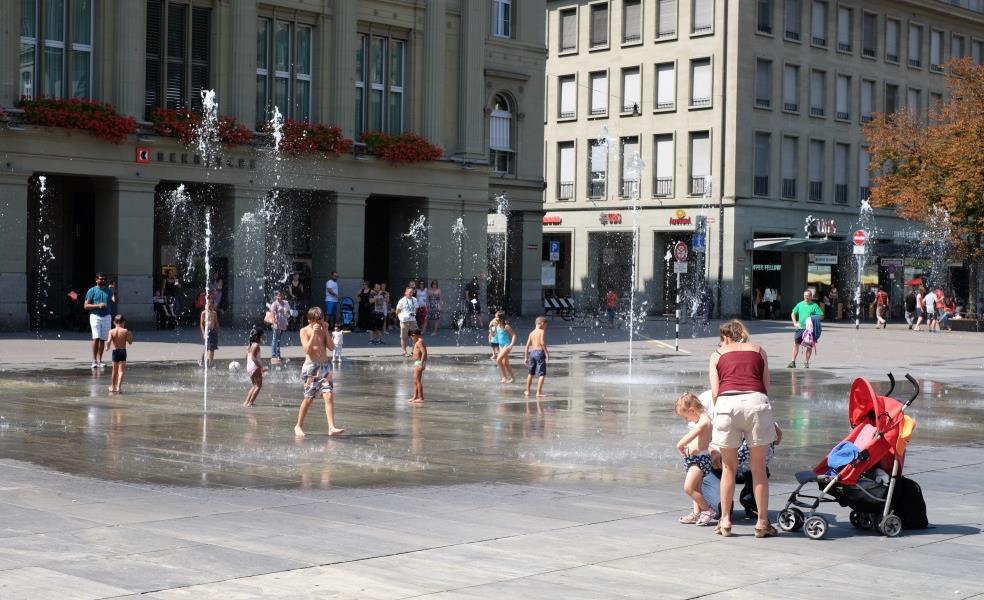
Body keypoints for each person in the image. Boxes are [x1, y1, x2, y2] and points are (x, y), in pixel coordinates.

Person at [709, 319, 776, 538]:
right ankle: (762, 523)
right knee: (757, 468)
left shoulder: (717, 355)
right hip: (756, 402)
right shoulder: (759, 350)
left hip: (727, 404)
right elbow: (766, 385)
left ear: (725, 337)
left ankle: (726, 521)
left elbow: (715, 392)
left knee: (729, 467)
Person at [295, 306, 344, 437]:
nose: (320, 322)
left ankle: (331, 427)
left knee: (328, 395)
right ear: (310, 320)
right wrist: (314, 334)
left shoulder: (324, 328)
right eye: (317, 320)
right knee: (309, 398)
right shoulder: (304, 331)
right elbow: (306, 350)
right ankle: (298, 425)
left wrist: (326, 330)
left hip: (325, 367)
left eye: (322, 319)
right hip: (311, 368)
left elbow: (332, 347)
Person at [674, 392, 715, 526]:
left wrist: (680, 445)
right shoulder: (702, 419)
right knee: (696, 487)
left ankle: (707, 509)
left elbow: (689, 437)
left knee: (689, 488)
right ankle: (697, 513)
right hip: (696, 458)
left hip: (700, 460)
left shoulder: (703, 422)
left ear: (691, 410)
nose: (687, 420)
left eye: (686, 417)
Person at [83, 272, 116, 369]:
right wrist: (98, 305)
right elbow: (85, 306)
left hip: (107, 316)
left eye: (104, 279)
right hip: (95, 316)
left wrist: (114, 291)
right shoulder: (91, 291)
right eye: (101, 279)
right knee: (96, 338)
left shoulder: (109, 291)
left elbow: (116, 301)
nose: (103, 281)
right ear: (96, 280)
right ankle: (94, 361)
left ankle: (100, 360)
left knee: (102, 339)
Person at [788, 289, 824, 369]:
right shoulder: (800, 304)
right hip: (800, 328)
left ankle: (806, 363)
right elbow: (793, 313)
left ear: (811, 296)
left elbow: (821, 316)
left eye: (808, 296)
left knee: (809, 346)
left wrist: (813, 318)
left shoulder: (814, 306)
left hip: (809, 329)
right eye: (805, 296)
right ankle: (793, 362)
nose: (806, 297)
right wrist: (794, 323)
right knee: (795, 344)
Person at [523, 316, 549, 397]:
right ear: (542, 323)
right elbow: (542, 342)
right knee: (542, 374)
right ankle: (538, 392)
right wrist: (546, 353)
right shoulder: (541, 331)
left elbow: (527, 346)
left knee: (531, 373)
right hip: (539, 352)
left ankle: (527, 391)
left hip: (532, 353)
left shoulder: (531, 333)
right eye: (545, 326)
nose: (545, 327)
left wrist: (526, 357)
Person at [106, 314, 132, 393]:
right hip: (122, 351)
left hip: (115, 351)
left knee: (114, 370)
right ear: (123, 322)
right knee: (121, 371)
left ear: (114, 322)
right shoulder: (125, 331)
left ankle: (112, 386)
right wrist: (130, 335)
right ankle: (118, 387)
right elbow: (130, 342)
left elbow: (109, 341)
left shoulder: (111, 331)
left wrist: (107, 347)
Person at [493, 311, 517, 384]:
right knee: (505, 363)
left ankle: (504, 377)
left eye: (496, 317)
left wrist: (511, 344)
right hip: (501, 346)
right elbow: (495, 336)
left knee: (498, 360)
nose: (495, 318)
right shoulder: (497, 326)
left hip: (506, 345)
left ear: (500, 318)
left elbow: (514, 335)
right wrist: (491, 329)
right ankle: (513, 378)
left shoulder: (506, 326)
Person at [243, 326, 264, 407]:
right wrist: (261, 367)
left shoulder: (249, 345)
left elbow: (246, 357)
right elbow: (253, 358)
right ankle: (250, 403)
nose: (263, 337)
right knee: (259, 386)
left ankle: (246, 402)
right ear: (258, 337)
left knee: (254, 385)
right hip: (255, 367)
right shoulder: (256, 345)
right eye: (262, 336)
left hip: (249, 367)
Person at [396, 287, 419, 357]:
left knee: (415, 336)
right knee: (404, 337)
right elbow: (397, 311)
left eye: (412, 292)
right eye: (409, 292)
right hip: (404, 321)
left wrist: (413, 314)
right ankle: (404, 351)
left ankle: (413, 351)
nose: (411, 293)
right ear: (405, 293)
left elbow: (416, 308)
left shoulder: (414, 299)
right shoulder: (402, 300)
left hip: (413, 321)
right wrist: (401, 318)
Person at [268, 290, 290, 364]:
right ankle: (274, 355)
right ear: (276, 296)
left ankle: (278, 355)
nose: (280, 297)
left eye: (281, 295)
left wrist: (287, 314)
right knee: (275, 339)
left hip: (282, 324)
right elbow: (272, 314)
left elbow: (287, 314)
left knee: (279, 340)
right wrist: (274, 323)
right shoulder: (274, 304)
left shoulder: (285, 303)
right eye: (278, 295)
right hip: (277, 324)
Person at [198, 297, 220, 368]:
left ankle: (210, 363)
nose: (209, 306)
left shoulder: (214, 313)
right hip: (207, 332)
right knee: (208, 347)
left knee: (212, 348)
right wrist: (203, 333)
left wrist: (218, 330)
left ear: (213, 305)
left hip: (213, 332)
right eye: (208, 304)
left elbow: (216, 322)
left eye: (211, 304)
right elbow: (201, 324)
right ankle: (201, 360)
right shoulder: (203, 313)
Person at [408, 328, 427, 404]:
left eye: (411, 337)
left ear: (414, 335)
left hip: (419, 362)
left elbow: (424, 353)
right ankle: (415, 397)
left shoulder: (419, 342)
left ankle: (421, 398)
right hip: (417, 362)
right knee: (415, 381)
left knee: (418, 381)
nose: (411, 338)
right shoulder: (418, 342)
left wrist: (421, 363)